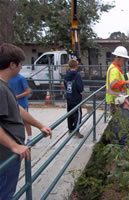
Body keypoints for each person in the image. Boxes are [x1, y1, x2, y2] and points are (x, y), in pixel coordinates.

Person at [0, 43, 52, 200]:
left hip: (12, 154)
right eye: (20, 64)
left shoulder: (5, 86)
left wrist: (40, 125)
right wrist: (14, 146)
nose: (21, 67)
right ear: (12, 64)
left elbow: (17, 109)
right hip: (6, 155)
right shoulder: (0, 88)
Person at [105, 46, 129, 113]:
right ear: (118, 58)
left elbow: (119, 84)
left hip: (118, 100)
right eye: (124, 60)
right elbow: (114, 85)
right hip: (115, 101)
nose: (124, 62)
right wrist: (126, 82)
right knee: (118, 121)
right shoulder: (114, 70)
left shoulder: (116, 69)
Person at [8, 73, 33, 143]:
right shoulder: (7, 77)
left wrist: (16, 96)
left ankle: (30, 138)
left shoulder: (21, 78)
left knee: (26, 120)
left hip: (22, 103)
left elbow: (28, 91)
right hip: (11, 103)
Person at [64, 59, 84, 138]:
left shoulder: (66, 75)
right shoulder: (77, 75)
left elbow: (65, 85)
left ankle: (70, 129)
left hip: (69, 97)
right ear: (76, 66)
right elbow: (80, 88)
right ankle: (77, 130)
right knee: (78, 114)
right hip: (76, 98)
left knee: (70, 114)